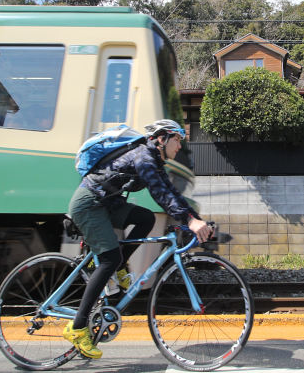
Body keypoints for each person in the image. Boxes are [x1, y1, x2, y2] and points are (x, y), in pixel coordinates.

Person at [62, 119, 210, 359]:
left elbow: (170, 191)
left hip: (107, 204)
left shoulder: (153, 158)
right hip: (90, 204)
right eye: (177, 139)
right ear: (161, 139)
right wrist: (189, 222)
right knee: (109, 259)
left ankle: (118, 267)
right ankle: (77, 328)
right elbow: (159, 193)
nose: (180, 146)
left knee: (146, 219)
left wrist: (195, 218)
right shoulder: (143, 156)